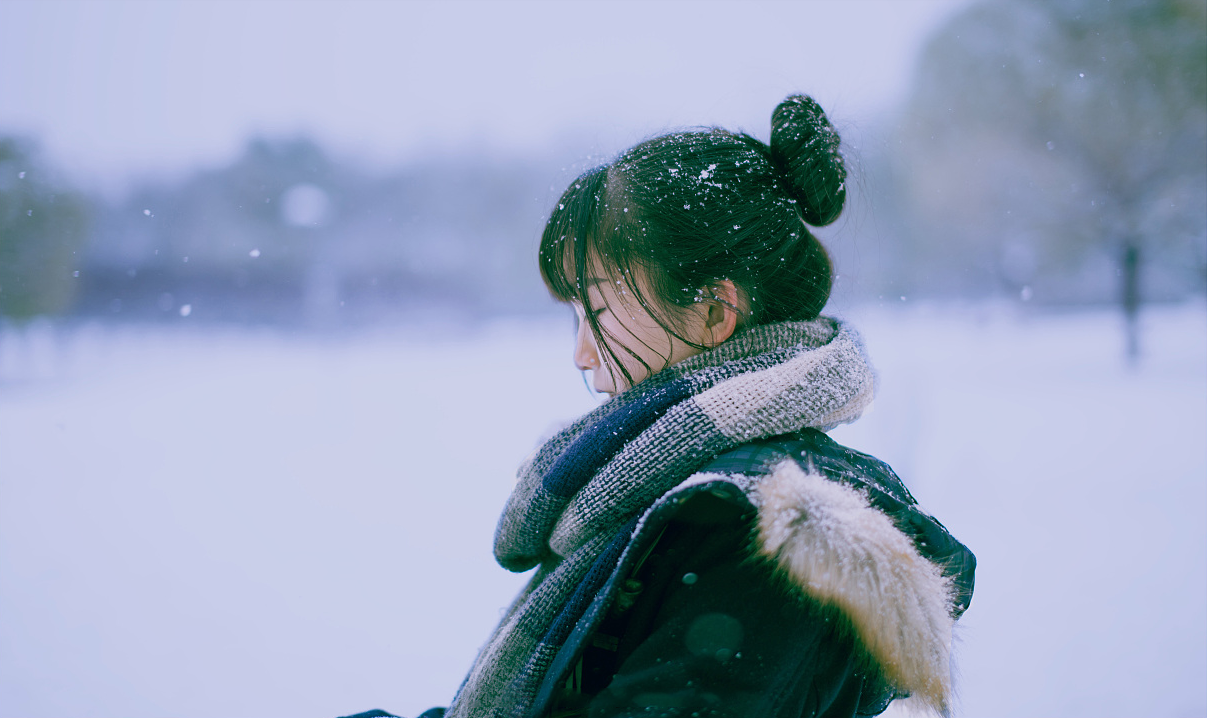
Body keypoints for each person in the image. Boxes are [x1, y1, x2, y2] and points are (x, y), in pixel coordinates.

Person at [348, 95, 975, 718]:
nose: (582, 355)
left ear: (711, 311)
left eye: (596, 310)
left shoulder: (768, 533)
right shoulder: (669, 492)